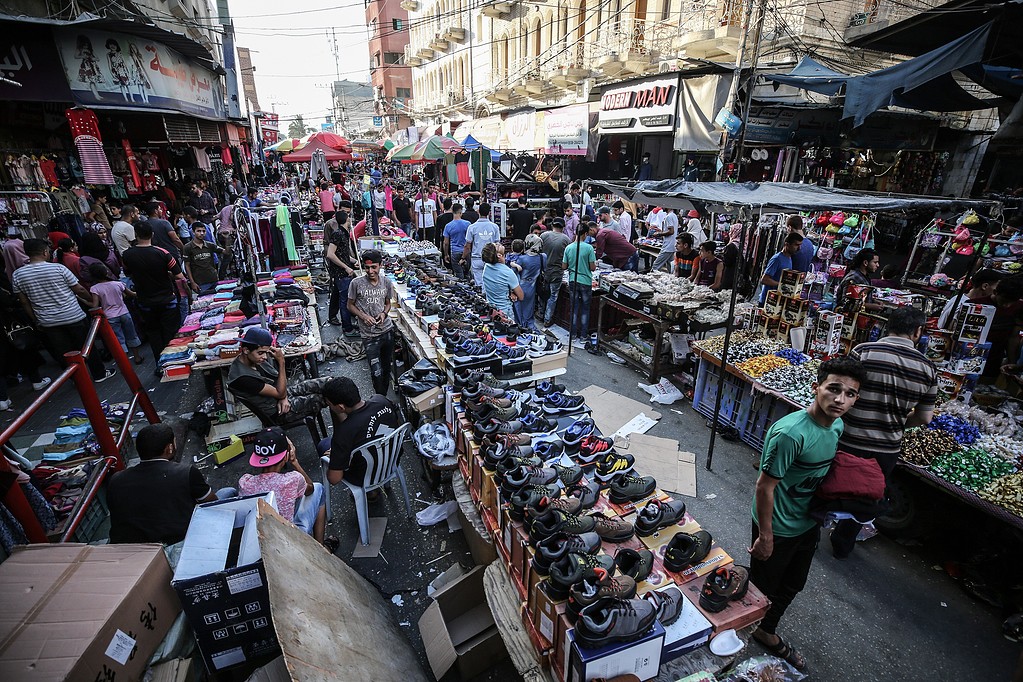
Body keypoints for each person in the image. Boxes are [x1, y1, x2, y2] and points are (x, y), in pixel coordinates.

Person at [749, 356, 866, 671]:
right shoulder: (790, 434)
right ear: (816, 388)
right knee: (762, 588)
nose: (840, 399)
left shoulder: (837, 425)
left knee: (793, 583)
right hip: (778, 525)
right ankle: (744, 631)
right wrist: (766, 536)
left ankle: (765, 628)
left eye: (850, 394)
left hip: (808, 522)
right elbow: (765, 487)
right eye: (834, 389)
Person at [830, 307, 937, 559]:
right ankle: (842, 544)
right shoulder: (928, 369)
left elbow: (839, 393)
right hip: (886, 448)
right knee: (864, 497)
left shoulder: (863, 351)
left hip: (848, 438)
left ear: (887, 326)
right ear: (917, 332)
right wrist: (896, 423)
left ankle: (810, 533)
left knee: (827, 485)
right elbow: (924, 417)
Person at [107, 423, 236, 545]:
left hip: (134, 548)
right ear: (169, 448)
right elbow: (212, 502)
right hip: (179, 543)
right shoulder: (186, 472)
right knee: (228, 492)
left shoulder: (116, 479)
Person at [12, 239, 113, 382]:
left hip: (48, 321)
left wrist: (35, 320)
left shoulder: (18, 275)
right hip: (73, 315)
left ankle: (77, 379)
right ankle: (99, 374)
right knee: (87, 346)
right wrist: (92, 300)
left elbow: (24, 301)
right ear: (45, 252)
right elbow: (78, 289)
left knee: (64, 352)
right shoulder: (58, 268)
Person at [239, 427, 331, 547]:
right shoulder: (292, 480)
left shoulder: (245, 482)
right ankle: (320, 547)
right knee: (319, 488)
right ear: (286, 456)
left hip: (258, 540)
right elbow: (310, 489)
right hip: (289, 540)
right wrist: (294, 461)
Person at [227, 326, 333, 423]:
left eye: (266, 352)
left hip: (280, 396)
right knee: (323, 398)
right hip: (277, 410)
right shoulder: (243, 378)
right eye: (260, 353)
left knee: (329, 383)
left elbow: (278, 383)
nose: (265, 357)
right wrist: (281, 361)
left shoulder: (254, 359)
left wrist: (283, 396)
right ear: (246, 350)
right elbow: (280, 392)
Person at [120, 222, 185, 367]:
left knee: (154, 335)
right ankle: (175, 363)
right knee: (171, 334)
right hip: (167, 300)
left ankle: (160, 365)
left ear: (136, 235)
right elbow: (179, 275)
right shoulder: (163, 253)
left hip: (145, 302)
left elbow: (127, 273)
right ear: (152, 235)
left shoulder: (127, 255)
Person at [323, 377, 401, 487]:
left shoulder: (343, 433)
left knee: (323, 445)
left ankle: (370, 492)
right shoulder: (381, 400)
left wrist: (334, 458)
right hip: (392, 461)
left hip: (363, 477)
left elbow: (334, 479)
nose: (329, 407)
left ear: (341, 407)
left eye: (329, 404)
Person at [348, 249, 396, 396]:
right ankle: (379, 398)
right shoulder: (356, 283)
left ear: (380, 265)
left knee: (386, 368)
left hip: (386, 332)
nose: (370, 271)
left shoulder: (386, 282)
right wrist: (363, 316)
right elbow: (350, 305)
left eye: (374, 267)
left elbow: (388, 303)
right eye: (367, 267)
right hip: (369, 336)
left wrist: (384, 313)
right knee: (376, 372)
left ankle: (383, 399)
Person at [88, 262, 144, 364]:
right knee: (132, 335)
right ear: (106, 272)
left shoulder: (95, 288)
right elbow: (131, 294)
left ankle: (125, 361)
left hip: (110, 317)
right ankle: (137, 357)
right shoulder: (118, 284)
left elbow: (95, 305)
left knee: (119, 339)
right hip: (124, 313)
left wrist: (84, 300)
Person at [325, 211, 359, 336]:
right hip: (341, 274)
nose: (350, 219)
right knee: (345, 301)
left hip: (343, 272)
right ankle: (347, 328)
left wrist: (354, 261)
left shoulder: (344, 233)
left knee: (346, 299)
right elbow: (330, 254)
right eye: (349, 217)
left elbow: (342, 254)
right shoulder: (338, 234)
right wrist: (346, 267)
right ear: (346, 219)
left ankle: (348, 324)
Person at [563, 222, 596, 348]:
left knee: (574, 308)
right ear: (586, 234)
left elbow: (564, 266)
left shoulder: (569, 248)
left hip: (573, 280)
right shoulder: (589, 248)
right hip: (586, 281)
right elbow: (592, 267)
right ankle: (583, 336)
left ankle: (572, 334)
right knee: (585, 309)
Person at [936, 268, 1002, 328]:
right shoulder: (965, 305)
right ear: (985, 286)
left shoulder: (958, 298)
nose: (996, 293)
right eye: (995, 290)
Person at [540, 218, 571, 327]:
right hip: (557, 272)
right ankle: (547, 319)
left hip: (543, 270)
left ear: (552, 225)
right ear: (563, 227)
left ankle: (540, 313)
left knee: (543, 293)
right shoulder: (566, 239)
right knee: (553, 296)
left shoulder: (544, 236)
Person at [758, 232, 805, 305]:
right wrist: (783, 285)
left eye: (800, 245)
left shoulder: (789, 258)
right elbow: (764, 280)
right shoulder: (777, 259)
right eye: (796, 245)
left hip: (777, 302)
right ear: (787, 244)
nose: (799, 248)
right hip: (768, 301)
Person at [481, 242, 523, 322]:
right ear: (499, 256)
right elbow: (521, 296)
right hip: (504, 311)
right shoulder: (508, 272)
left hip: (491, 308)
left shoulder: (487, 267)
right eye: (496, 245)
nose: (498, 243)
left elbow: (498, 284)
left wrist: (509, 292)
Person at [463, 203, 501, 286]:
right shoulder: (495, 227)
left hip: (477, 258)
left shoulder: (472, 227)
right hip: (491, 259)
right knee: (490, 283)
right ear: (489, 213)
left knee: (479, 284)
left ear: (478, 212)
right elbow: (497, 245)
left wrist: (463, 257)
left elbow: (467, 246)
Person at [181, 224, 225, 295]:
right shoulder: (187, 247)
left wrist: (227, 240)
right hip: (201, 283)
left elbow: (226, 252)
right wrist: (192, 282)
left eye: (203, 231)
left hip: (214, 279)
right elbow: (187, 266)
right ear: (193, 232)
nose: (201, 233)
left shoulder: (210, 245)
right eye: (199, 231)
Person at [512, 234, 545, 329]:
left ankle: (521, 326)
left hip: (520, 286)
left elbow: (513, 273)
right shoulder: (542, 257)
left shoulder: (522, 259)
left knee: (519, 309)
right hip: (533, 286)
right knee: (529, 308)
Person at [443, 203, 470, 279]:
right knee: (467, 272)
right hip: (466, 251)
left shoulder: (448, 226)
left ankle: (461, 284)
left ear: (452, 211)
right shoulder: (467, 224)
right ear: (461, 212)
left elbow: (446, 243)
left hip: (455, 252)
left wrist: (446, 254)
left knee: (458, 273)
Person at [650, 207, 679, 273]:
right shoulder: (674, 215)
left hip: (668, 246)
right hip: (672, 245)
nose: (662, 207)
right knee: (670, 266)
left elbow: (671, 231)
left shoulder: (669, 217)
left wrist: (659, 234)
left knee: (655, 266)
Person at [721, 223, 744, 291]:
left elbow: (727, 262)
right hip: (740, 273)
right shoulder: (744, 244)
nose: (729, 233)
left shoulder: (731, 246)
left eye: (731, 231)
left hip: (730, 274)